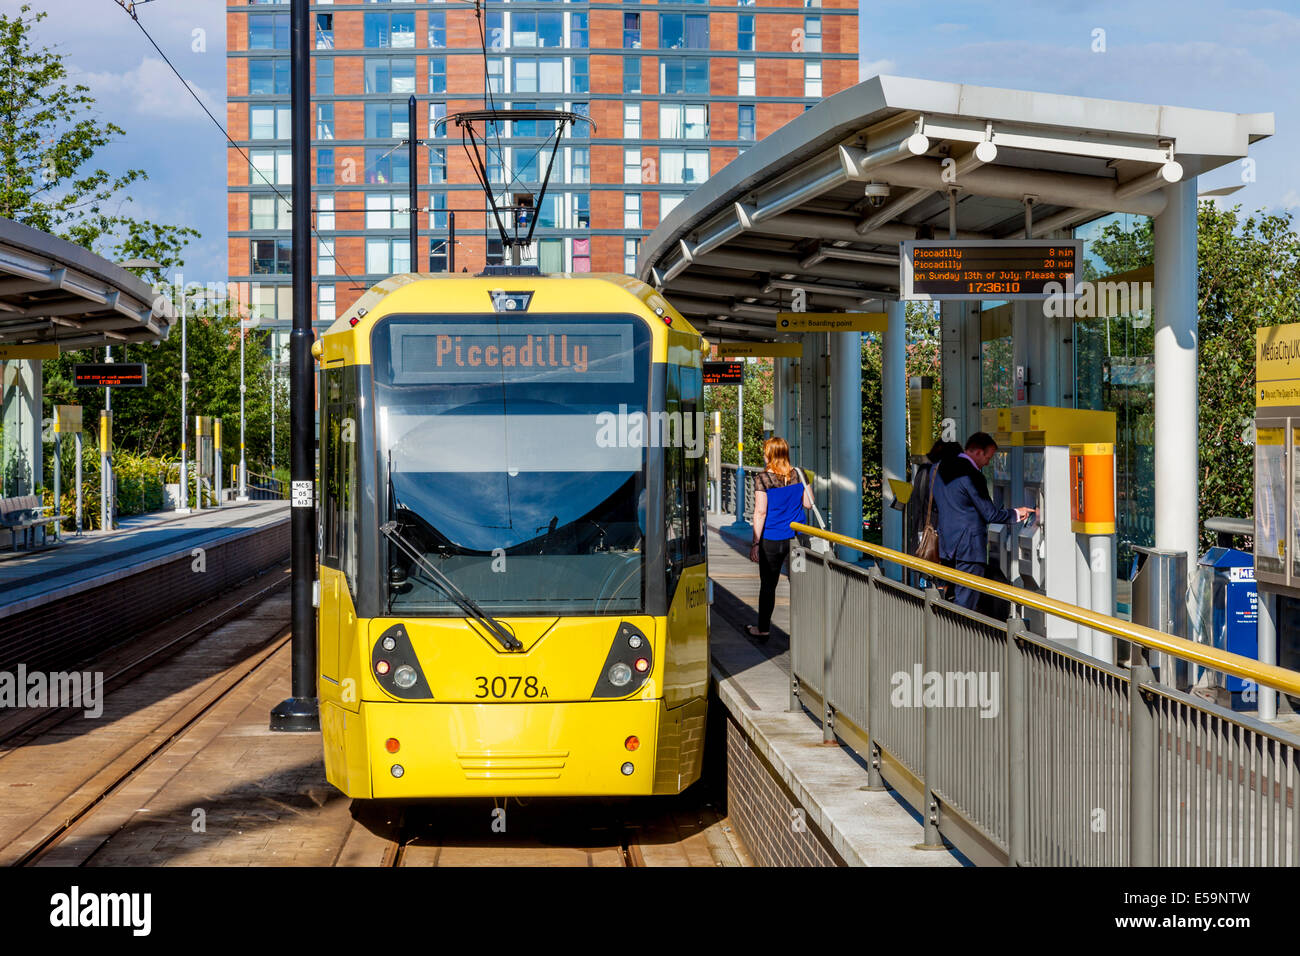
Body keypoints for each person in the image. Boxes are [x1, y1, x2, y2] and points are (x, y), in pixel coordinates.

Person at [931, 432, 1034, 611]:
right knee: (966, 603)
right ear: (978, 452)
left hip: (948, 546)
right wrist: (1017, 513)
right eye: (988, 456)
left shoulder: (940, 469)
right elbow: (990, 514)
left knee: (951, 596)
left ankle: (947, 634)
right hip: (969, 548)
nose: (988, 462)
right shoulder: (972, 475)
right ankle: (961, 636)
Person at [746, 436, 813, 642]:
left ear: (770, 454)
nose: (763, 455)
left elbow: (760, 512)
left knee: (768, 585)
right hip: (797, 539)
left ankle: (763, 629)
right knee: (800, 584)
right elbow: (809, 504)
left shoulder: (763, 479)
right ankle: (805, 632)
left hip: (772, 540)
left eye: (765, 451)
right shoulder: (799, 474)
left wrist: (756, 543)